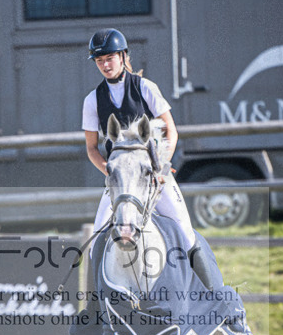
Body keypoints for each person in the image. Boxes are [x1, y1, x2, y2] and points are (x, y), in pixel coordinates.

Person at [82, 28, 222, 290]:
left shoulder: (145, 87)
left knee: (185, 232)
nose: (105, 65)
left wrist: (162, 168)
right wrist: (113, 174)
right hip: (121, 181)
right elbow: (92, 148)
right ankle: (94, 311)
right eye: (99, 61)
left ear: (123, 56)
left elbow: (171, 129)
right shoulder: (92, 100)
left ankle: (219, 301)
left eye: (110, 58)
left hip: (154, 174)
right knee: (97, 238)